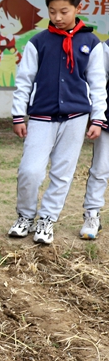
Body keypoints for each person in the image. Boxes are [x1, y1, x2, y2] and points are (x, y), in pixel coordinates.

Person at [8, 0, 107, 244]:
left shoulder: (91, 43)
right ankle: (25, 216)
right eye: (52, 12)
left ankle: (47, 220)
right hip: (41, 116)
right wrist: (19, 115)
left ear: (78, 8)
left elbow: (98, 84)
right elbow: (24, 81)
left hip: (76, 118)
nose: (58, 17)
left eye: (64, 11)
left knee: (62, 174)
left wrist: (98, 118)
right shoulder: (38, 42)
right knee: (30, 171)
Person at [82, 38, 109, 238]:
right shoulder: (106, 48)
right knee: (101, 168)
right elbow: (98, 82)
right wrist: (96, 116)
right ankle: (92, 215)